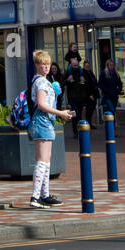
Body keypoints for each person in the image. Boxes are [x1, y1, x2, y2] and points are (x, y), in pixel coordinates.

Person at [28, 48, 74, 208]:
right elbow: (41, 104)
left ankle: (45, 194)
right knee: (42, 161)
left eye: (47, 63)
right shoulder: (40, 82)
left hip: (46, 122)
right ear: (37, 65)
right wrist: (60, 113)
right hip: (42, 121)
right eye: (42, 64)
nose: (46, 67)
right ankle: (35, 196)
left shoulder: (44, 81)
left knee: (46, 161)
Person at [63, 54, 98, 135]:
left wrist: (84, 81)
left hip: (81, 97)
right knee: (75, 114)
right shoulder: (68, 72)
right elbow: (63, 83)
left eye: (77, 65)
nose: (75, 67)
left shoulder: (81, 72)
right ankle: (75, 131)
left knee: (79, 114)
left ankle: (79, 130)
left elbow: (87, 84)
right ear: (71, 65)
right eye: (74, 65)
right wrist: (68, 80)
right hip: (72, 97)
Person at [98, 59, 124, 130]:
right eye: (110, 65)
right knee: (111, 111)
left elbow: (120, 83)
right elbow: (100, 84)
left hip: (114, 96)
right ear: (107, 65)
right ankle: (112, 129)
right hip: (107, 96)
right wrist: (106, 90)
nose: (112, 66)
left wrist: (118, 90)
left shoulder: (116, 74)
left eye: (113, 65)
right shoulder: (103, 73)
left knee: (113, 112)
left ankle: (111, 127)